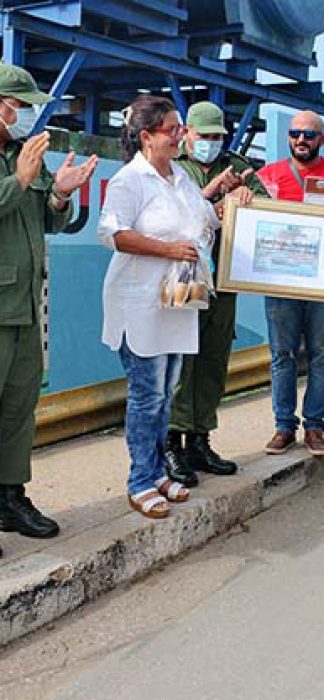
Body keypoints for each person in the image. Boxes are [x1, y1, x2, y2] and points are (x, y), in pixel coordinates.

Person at [98, 95, 219, 518]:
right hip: (140, 304)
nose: (180, 136)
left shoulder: (180, 179)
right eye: (172, 129)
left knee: (166, 394)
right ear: (147, 137)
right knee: (147, 395)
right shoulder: (131, 181)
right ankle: (139, 481)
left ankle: (155, 471)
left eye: (181, 128)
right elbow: (112, 234)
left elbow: (205, 217)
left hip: (176, 303)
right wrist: (168, 249)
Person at [0, 65, 98, 555]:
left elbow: (46, 222)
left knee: (19, 408)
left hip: (23, 305)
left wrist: (59, 192)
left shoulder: (24, 156)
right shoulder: (18, 166)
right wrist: (17, 182)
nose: (29, 115)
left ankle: (11, 498)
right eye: (22, 105)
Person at [165, 101, 268, 487]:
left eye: (217, 137)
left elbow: (267, 211)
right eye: (204, 136)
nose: (210, 142)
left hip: (224, 279)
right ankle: (171, 443)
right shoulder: (172, 167)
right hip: (184, 275)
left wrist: (247, 200)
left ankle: (200, 440)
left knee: (212, 359)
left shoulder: (238, 166)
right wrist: (211, 201)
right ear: (187, 134)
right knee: (180, 361)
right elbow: (169, 216)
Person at [256, 110, 324, 457]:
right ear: (288, 137)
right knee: (281, 355)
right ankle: (284, 427)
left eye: (309, 135)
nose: (301, 140)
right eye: (295, 133)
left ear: (322, 139)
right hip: (280, 283)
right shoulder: (268, 177)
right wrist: (239, 198)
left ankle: (315, 428)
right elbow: (243, 210)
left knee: (321, 356)